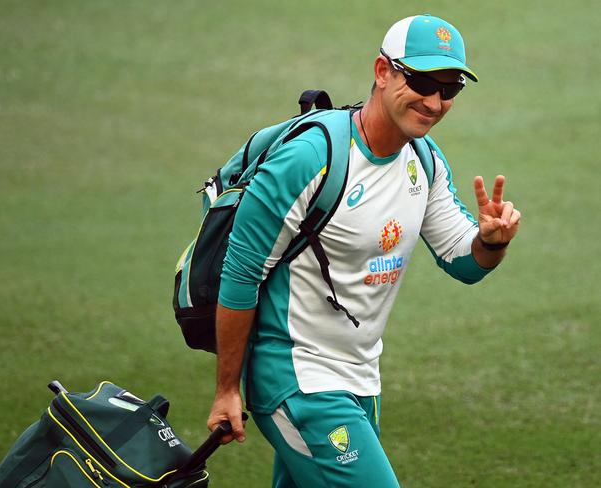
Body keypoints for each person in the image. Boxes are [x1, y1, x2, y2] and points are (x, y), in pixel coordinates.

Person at [207, 13, 521, 487]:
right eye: (421, 81)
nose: (435, 102)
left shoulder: (424, 161)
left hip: (360, 381)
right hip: (297, 378)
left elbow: (464, 261)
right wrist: (227, 388)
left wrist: (490, 242)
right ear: (382, 72)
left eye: (450, 89)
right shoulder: (311, 159)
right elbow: (241, 272)